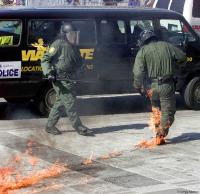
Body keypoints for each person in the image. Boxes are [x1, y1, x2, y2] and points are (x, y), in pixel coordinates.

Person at [133, 30, 186, 140]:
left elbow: (138, 72)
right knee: (167, 111)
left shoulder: (142, 51)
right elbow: (182, 58)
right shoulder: (168, 46)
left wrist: (138, 87)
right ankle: (161, 134)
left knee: (156, 109)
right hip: (167, 85)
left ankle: (158, 131)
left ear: (144, 41)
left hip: (152, 86)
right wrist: (175, 68)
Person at [41, 22, 91, 136]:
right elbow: (45, 60)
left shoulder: (73, 47)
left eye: (75, 34)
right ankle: (78, 126)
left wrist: (83, 67)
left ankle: (49, 126)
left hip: (70, 79)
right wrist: (49, 73)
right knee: (70, 102)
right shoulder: (58, 44)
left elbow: (79, 61)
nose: (74, 37)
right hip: (60, 79)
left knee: (60, 103)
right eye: (72, 34)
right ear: (65, 34)